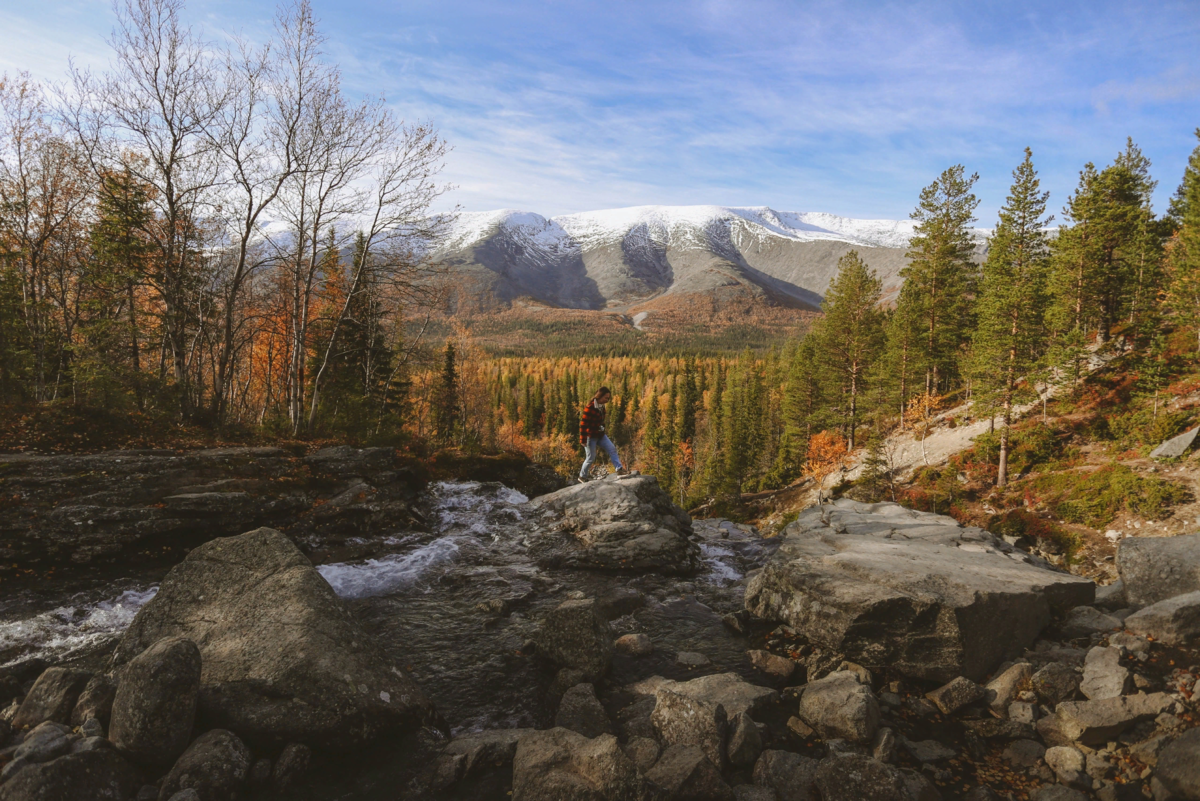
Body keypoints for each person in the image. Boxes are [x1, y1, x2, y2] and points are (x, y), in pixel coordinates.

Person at [579, 387, 628, 482]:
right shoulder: (589, 408)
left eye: (608, 398)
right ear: (599, 396)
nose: (607, 400)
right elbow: (583, 424)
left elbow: (600, 421)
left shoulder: (601, 407)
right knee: (590, 458)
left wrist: (602, 427)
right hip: (590, 437)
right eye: (606, 398)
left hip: (600, 435)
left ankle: (619, 470)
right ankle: (582, 476)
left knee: (612, 449)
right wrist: (583, 440)